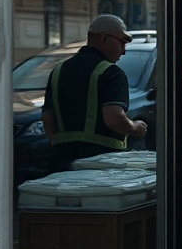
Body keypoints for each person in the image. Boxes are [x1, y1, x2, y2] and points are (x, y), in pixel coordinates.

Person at [41, 14, 147, 172]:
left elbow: (47, 117)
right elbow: (114, 118)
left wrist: (61, 146)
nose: (124, 51)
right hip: (101, 164)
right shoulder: (111, 73)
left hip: (61, 162)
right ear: (104, 38)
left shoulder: (58, 70)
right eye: (122, 42)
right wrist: (135, 128)